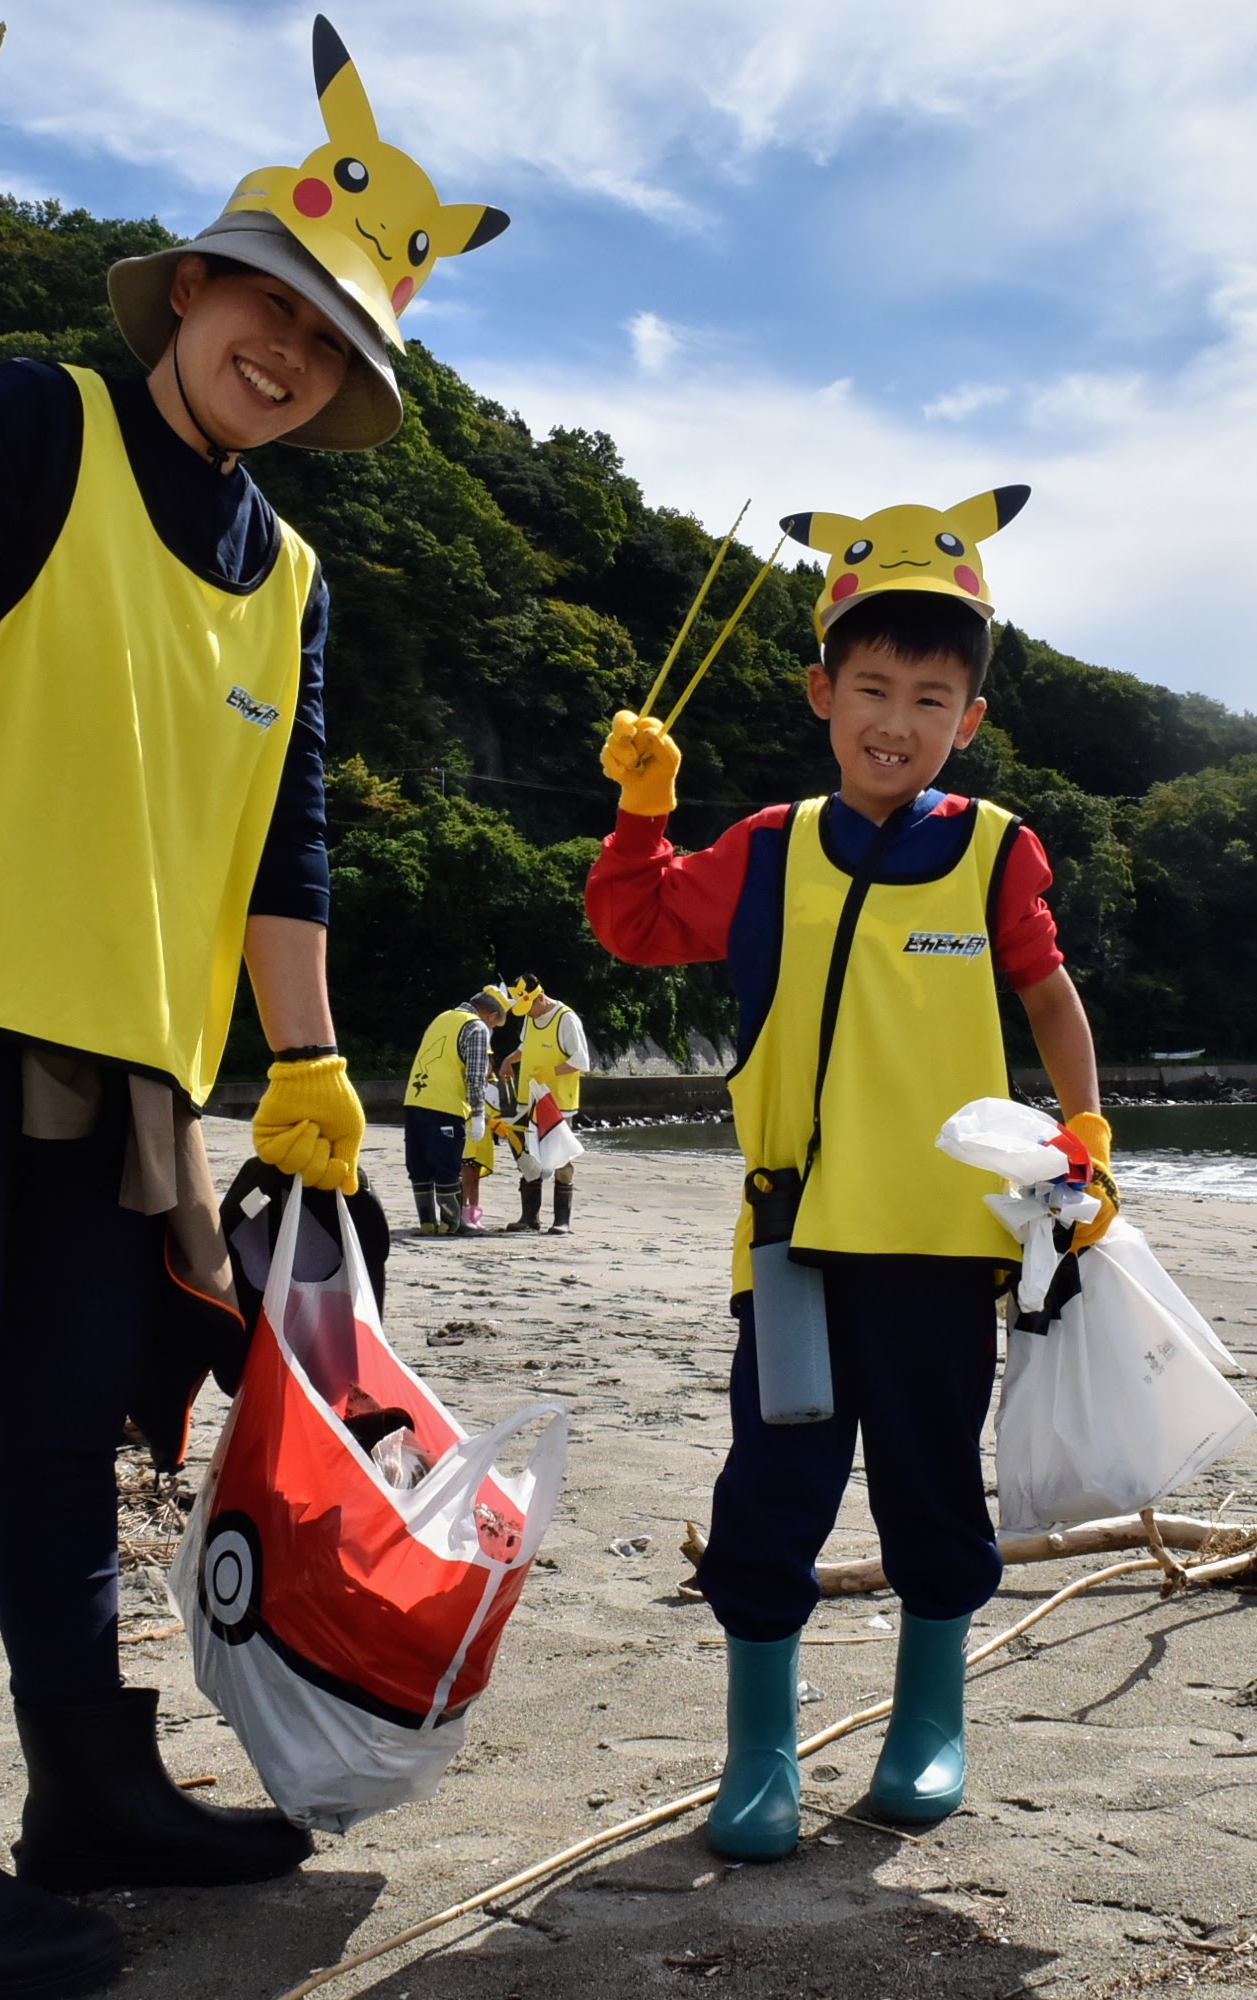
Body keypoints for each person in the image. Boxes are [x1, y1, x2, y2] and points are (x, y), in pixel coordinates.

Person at [0, 20, 507, 1995]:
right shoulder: (34, 421)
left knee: (73, 1420)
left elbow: (282, 844)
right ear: (202, 281)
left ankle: (88, 1787)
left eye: (333, 348)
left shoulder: (291, 572)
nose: (291, 354)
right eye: (275, 305)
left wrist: (306, 1059)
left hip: (125, 1044)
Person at [588, 485, 1118, 1861]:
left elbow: (1049, 994)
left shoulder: (995, 851)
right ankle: (762, 1750)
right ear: (822, 691)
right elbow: (638, 924)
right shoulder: (768, 851)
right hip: (796, 1248)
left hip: (948, 1248)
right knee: (772, 1492)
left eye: (930, 696)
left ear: (970, 721)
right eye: (872, 687)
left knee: (933, 1488)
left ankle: (926, 1724)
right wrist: (646, 810)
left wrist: (1087, 1132)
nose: (897, 719)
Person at [403, 985, 511, 1236]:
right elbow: (475, 1076)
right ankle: (452, 1223)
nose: (492, 1030)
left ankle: (427, 1222)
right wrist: (477, 1114)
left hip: (415, 1099)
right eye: (495, 1026)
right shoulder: (476, 1027)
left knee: (419, 1166)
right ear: (492, 1016)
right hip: (445, 1105)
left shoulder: (442, 1017)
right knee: (447, 1165)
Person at [496, 973, 588, 1233]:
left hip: (557, 1103)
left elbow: (582, 1061)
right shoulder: (530, 1016)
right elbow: (526, 1047)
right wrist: (509, 1060)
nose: (529, 1014)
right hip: (528, 1099)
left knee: (560, 1158)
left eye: (530, 1008)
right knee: (526, 1156)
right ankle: (529, 1217)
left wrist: (552, 1072)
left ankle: (561, 1221)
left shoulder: (566, 1019)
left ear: (540, 997)